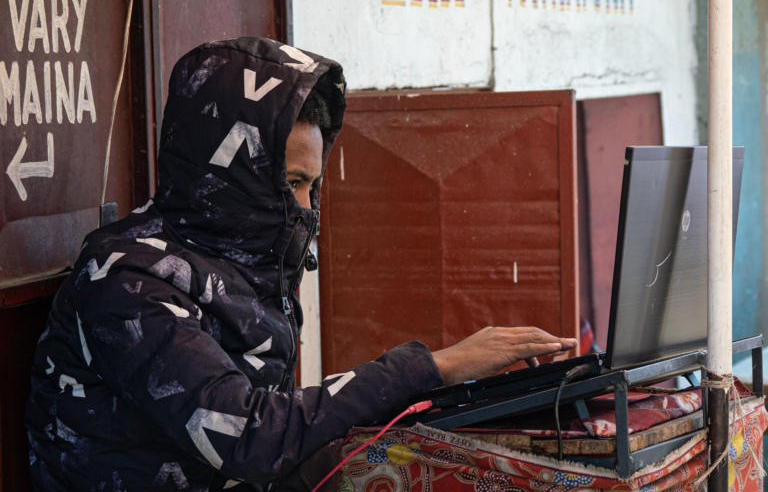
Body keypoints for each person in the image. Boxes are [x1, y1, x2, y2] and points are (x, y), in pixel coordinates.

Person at [25, 38, 576, 491]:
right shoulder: (127, 279)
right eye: (290, 184)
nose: (306, 208)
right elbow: (247, 435)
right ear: (232, 170)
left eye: (311, 185)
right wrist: (436, 367)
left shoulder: (240, 259)